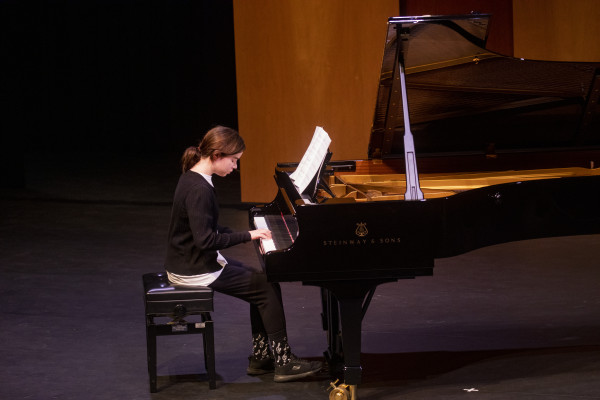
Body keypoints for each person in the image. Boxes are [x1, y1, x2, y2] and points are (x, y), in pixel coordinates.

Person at [164, 125, 322, 382]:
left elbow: (207, 228)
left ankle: (262, 357)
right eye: (234, 160)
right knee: (265, 287)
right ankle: (283, 362)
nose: (235, 167)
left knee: (263, 278)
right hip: (193, 268)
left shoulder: (194, 177)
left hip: (191, 261)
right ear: (217, 155)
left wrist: (251, 232)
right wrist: (248, 235)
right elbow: (206, 240)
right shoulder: (199, 189)